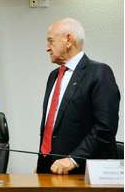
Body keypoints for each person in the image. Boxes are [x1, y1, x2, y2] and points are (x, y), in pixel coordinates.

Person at [37, 18, 120, 175]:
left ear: (68, 40)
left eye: (50, 41)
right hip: (50, 169)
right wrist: (44, 161)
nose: (47, 48)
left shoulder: (99, 73)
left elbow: (105, 127)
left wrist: (73, 159)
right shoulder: (53, 76)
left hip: (81, 173)